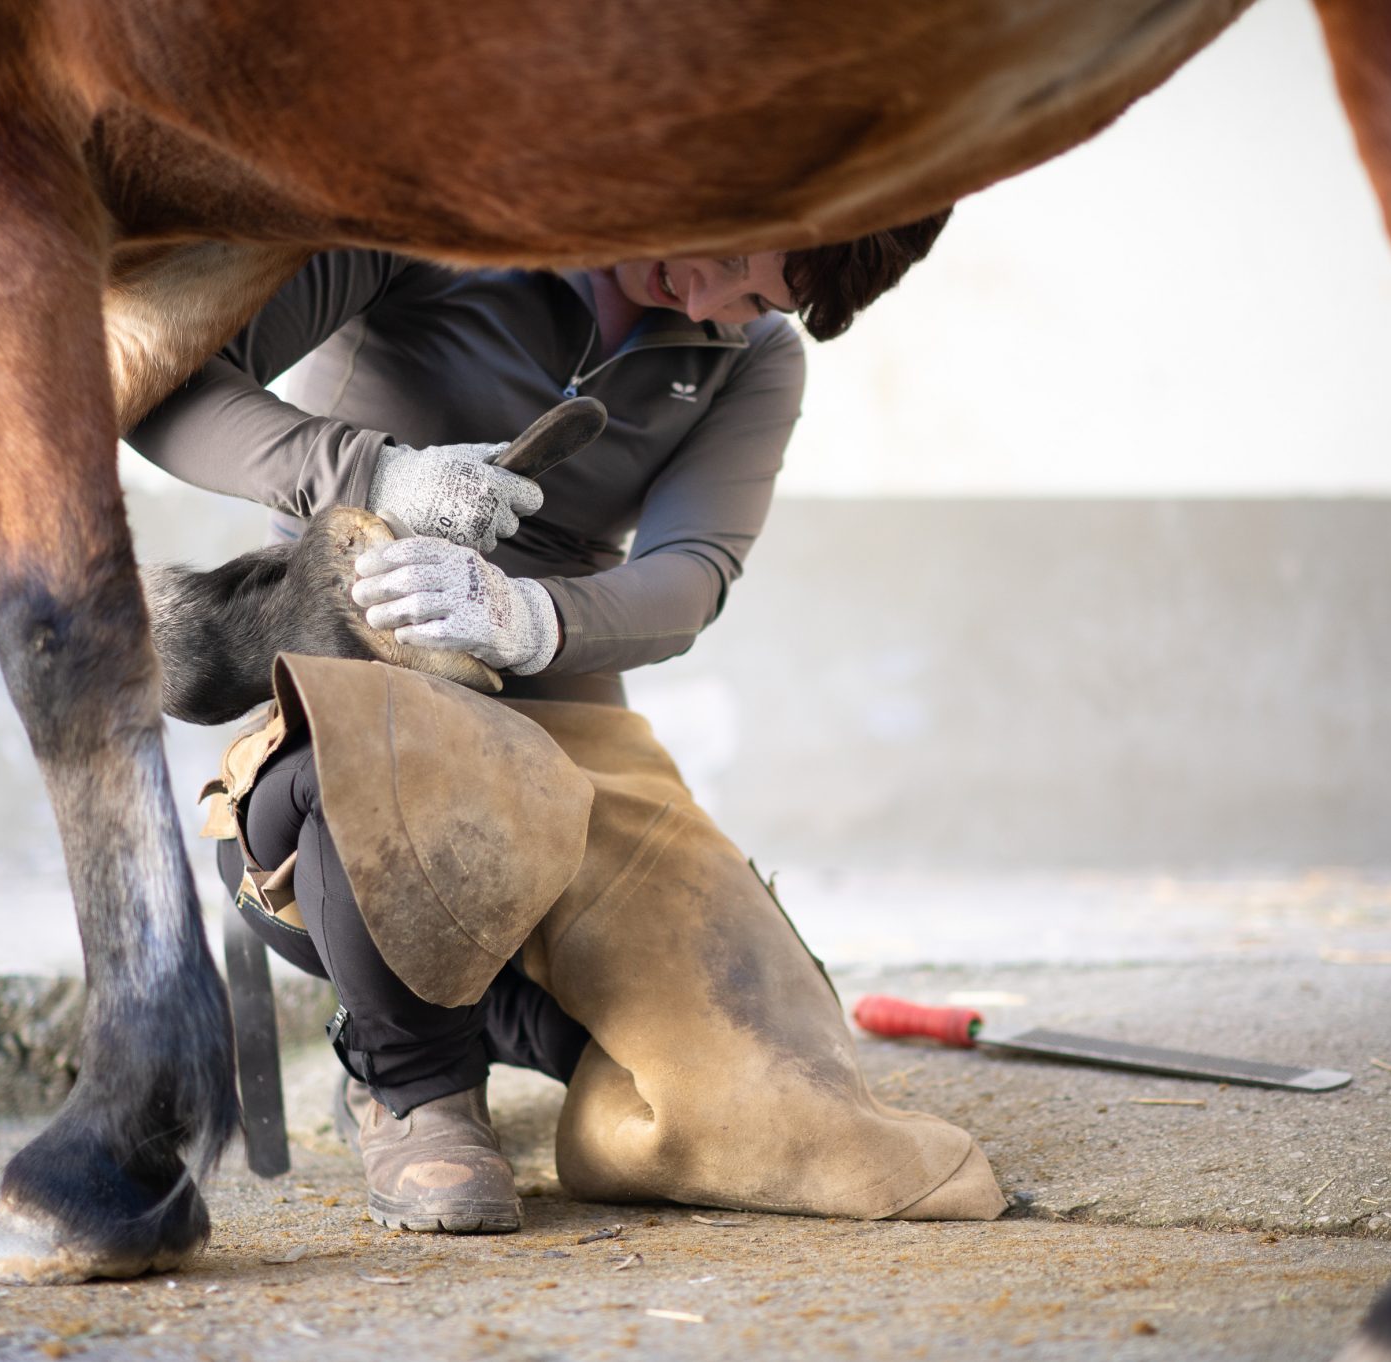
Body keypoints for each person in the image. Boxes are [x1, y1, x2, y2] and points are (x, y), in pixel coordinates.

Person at [128, 216, 1004, 1235]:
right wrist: (373, 476)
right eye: (726, 257)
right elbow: (160, 385)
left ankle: (485, 1016)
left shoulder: (757, 361)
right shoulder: (442, 214)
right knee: (387, 785)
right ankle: (412, 1081)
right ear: (720, 180)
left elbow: (690, 572)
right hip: (358, 700)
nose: (707, 306)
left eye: (755, 299)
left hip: (571, 732)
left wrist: (529, 618)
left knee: (757, 1056)